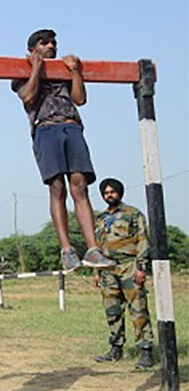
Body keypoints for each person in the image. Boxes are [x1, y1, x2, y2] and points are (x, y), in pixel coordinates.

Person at [11, 29, 115, 272]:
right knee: (56, 187)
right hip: (46, 129)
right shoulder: (20, 70)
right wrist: (36, 68)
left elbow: (79, 99)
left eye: (53, 42)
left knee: (79, 186)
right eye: (44, 43)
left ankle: (93, 249)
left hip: (71, 127)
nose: (50, 46)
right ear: (32, 50)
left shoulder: (65, 69)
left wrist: (75, 71)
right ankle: (67, 250)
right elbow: (28, 97)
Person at [92, 178, 154, 368]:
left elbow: (142, 240)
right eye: (106, 193)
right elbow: (97, 247)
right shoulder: (101, 219)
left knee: (138, 308)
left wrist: (142, 267)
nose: (109, 195)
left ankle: (146, 351)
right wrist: (96, 272)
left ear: (120, 192)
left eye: (112, 192)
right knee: (112, 310)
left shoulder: (133, 214)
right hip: (107, 269)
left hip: (129, 266)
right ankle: (115, 349)